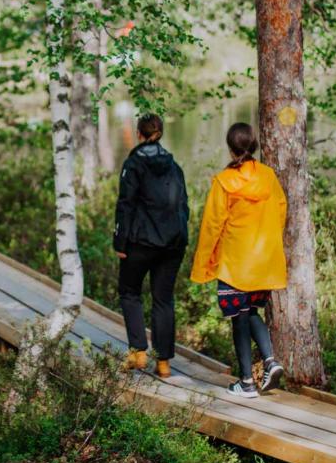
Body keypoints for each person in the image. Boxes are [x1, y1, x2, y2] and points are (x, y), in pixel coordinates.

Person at [190, 122, 287, 397]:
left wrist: (204, 263)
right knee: (251, 312)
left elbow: (212, 225)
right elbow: (281, 209)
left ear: (231, 149)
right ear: (252, 145)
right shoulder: (268, 176)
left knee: (238, 318)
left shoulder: (224, 181)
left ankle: (246, 382)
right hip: (262, 262)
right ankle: (269, 360)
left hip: (234, 263)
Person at [114, 113, 189, 378]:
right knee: (163, 299)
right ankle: (164, 363)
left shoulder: (133, 164)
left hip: (140, 242)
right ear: (160, 134)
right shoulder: (174, 166)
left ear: (139, 133)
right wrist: (181, 238)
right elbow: (184, 206)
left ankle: (138, 353)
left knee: (129, 291)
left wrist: (119, 242)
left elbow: (125, 205)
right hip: (172, 243)